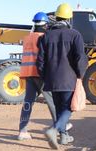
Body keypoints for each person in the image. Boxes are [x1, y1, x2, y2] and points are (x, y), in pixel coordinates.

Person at [37, 3, 88, 149]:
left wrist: (44, 76)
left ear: (57, 17)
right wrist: (80, 74)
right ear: (69, 19)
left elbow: (40, 61)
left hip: (51, 79)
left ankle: (64, 136)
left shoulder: (46, 36)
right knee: (68, 108)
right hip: (68, 79)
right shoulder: (75, 35)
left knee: (59, 108)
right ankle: (53, 129)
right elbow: (80, 57)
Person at [18, 12, 72, 140]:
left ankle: (22, 130)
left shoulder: (27, 38)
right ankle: (60, 127)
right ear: (45, 24)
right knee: (53, 102)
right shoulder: (44, 37)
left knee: (28, 103)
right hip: (40, 74)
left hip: (28, 74)